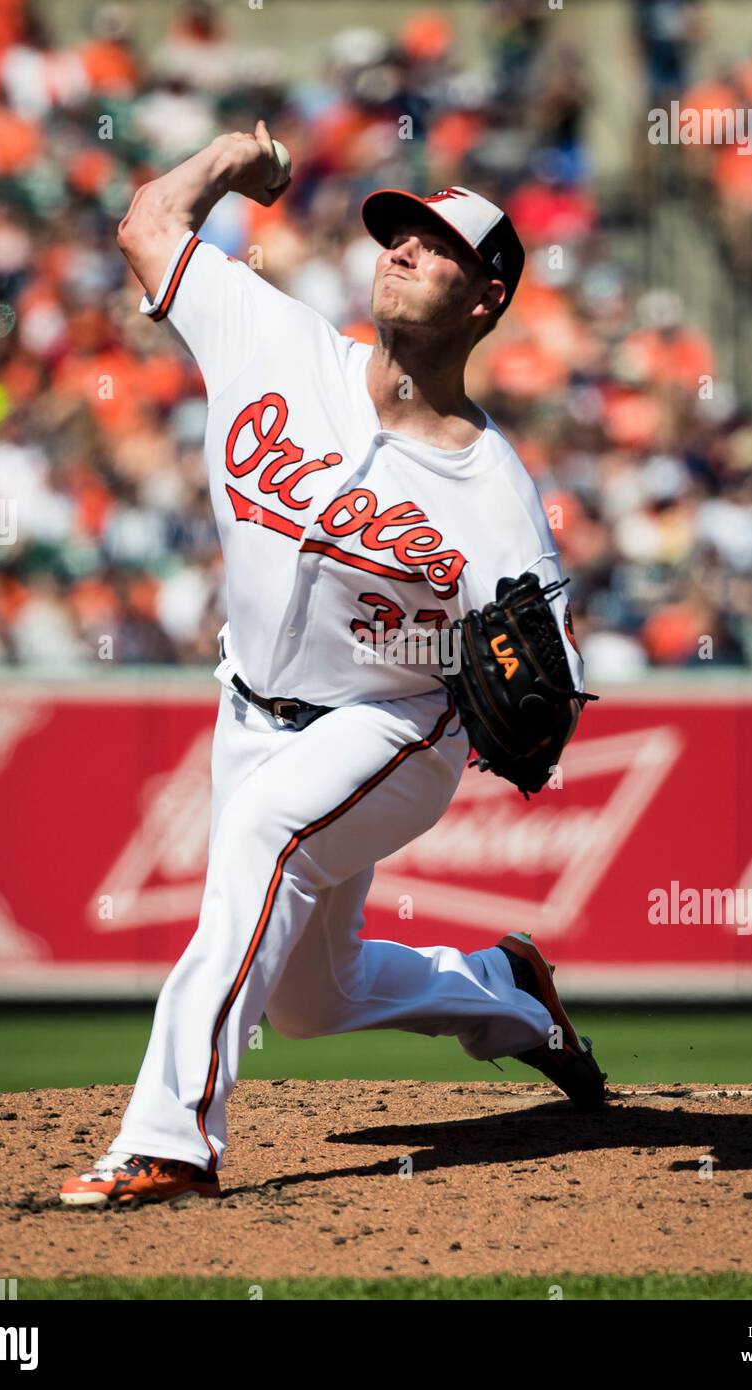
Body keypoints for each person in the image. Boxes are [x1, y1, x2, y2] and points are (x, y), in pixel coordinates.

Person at [59, 121, 604, 1206]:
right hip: (245, 706)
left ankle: (170, 1138)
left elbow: (551, 680)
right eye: (395, 233)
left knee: (267, 838)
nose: (399, 249)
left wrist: (542, 695)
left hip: (393, 730)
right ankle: (511, 994)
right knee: (311, 998)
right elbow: (147, 224)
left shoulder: (497, 501)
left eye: (435, 244)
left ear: (486, 299)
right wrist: (227, 158)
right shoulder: (273, 336)